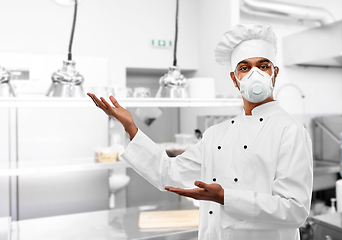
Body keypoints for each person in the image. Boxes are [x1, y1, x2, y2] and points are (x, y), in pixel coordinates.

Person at [88, 23, 313, 240]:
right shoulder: (217, 134)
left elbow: (295, 210)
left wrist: (225, 197)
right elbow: (169, 172)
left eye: (263, 66)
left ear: (274, 73)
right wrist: (130, 126)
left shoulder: (290, 131)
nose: (255, 74)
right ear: (234, 79)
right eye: (244, 68)